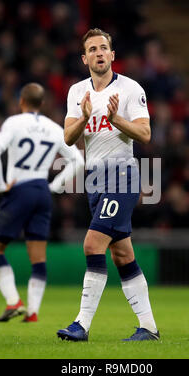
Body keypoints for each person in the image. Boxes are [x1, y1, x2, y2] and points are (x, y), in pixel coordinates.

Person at [57, 29, 159, 341]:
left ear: (112, 55)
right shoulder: (76, 92)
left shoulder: (130, 89)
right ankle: (149, 329)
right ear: (84, 58)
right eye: (93, 49)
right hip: (94, 179)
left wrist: (117, 120)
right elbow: (68, 138)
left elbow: (145, 134)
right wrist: (85, 118)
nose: (100, 53)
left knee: (92, 244)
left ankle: (81, 325)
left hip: (123, 174)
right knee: (123, 255)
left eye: (104, 48)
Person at [0, 83, 84, 322]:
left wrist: (0, 185)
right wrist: (54, 186)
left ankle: (13, 302)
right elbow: (78, 161)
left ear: (21, 101)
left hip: (19, 189)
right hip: (42, 191)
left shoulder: (13, 123)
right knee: (38, 257)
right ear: (42, 104)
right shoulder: (53, 128)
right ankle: (32, 312)